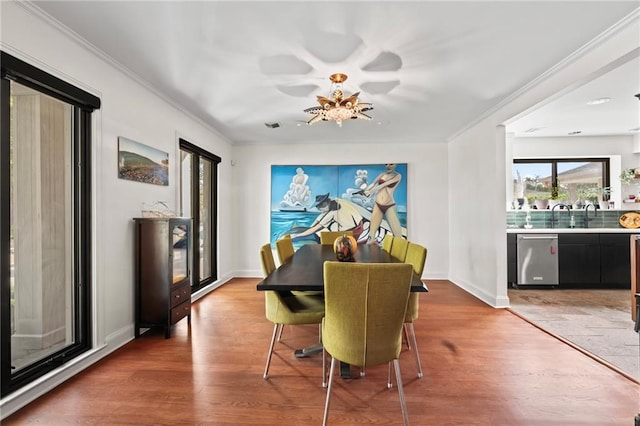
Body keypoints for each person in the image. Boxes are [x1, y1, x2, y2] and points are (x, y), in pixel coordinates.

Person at [290, 193, 365, 241]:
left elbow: (316, 228)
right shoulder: (337, 200)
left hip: (352, 233)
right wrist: (311, 226)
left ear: (325, 203)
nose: (319, 209)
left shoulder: (331, 214)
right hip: (360, 225)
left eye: (319, 207)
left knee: (321, 231)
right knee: (331, 224)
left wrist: (298, 235)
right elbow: (321, 216)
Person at [361, 163, 403, 243]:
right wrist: (365, 190)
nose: (388, 166)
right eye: (386, 164)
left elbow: (384, 185)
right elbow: (373, 184)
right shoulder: (382, 174)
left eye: (391, 164)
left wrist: (370, 191)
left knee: (398, 236)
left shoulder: (398, 176)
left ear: (395, 165)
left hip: (389, 206)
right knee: (371, 235)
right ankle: (368, 254)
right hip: (377, 204)